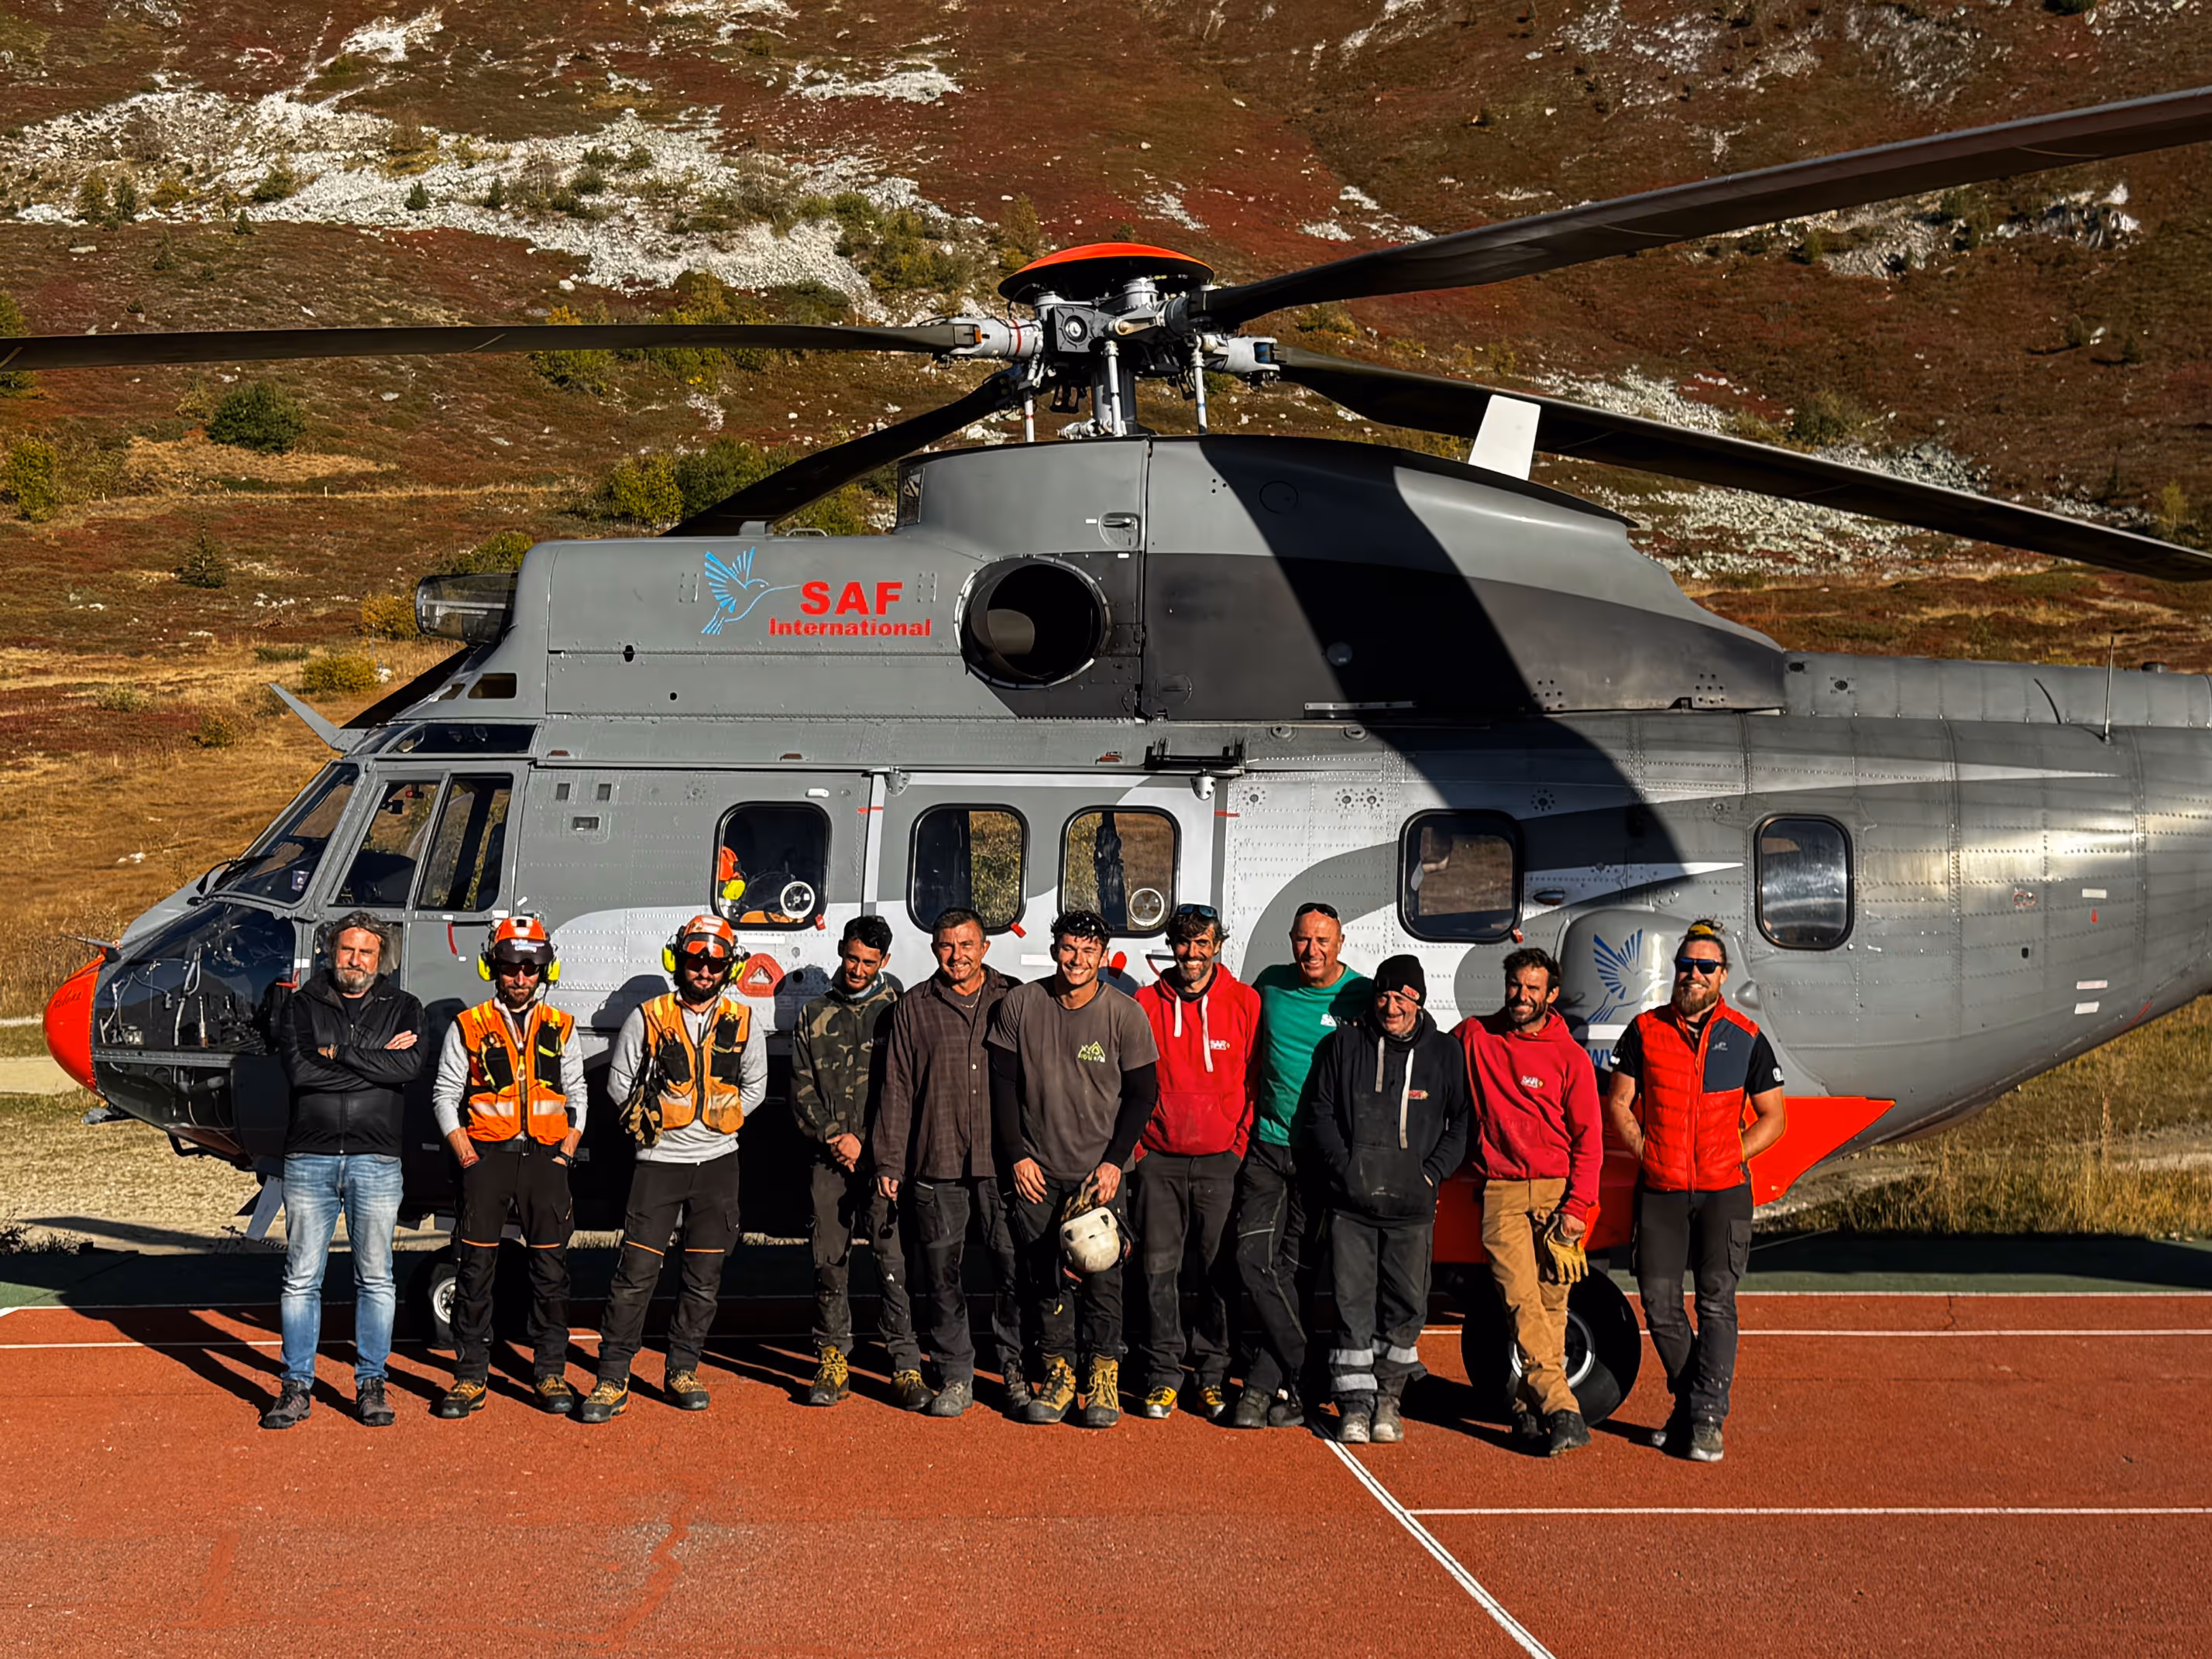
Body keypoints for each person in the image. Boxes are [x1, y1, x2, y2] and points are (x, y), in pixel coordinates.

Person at [1602, 919, 1788, 1465]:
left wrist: (1734, 1153)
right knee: (1659, 1305)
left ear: (1723, 975)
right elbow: (1619, 1103)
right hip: (1660, 1190)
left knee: (1716, 1304)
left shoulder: (1746, 1037)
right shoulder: (1645, 1031)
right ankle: (1690, 1407)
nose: (1694, 974)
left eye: (1706, 966)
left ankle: (1706, 1420)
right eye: (1686, 965)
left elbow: (1774, 1117)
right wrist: (1645, 1151)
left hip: (1723, 1192)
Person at [580, 914, 767, 1424]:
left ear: (729, 967)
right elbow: (619, 1082)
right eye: (694, 960)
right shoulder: (649, 1015)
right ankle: (612, 1376)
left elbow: (756, 1086)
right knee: (635, 1276)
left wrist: (722, 1124)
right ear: (679, 961)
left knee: (703, 1278)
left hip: (718, 1165)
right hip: (658, 1165)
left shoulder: (743, 1019)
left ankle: (682, 1369)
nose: (704, 970)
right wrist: (651, 1125)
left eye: (715, 962)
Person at [990, 909, 1159, 1428]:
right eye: (1069, 948)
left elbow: (1142, 1095)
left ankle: (1103, 1376)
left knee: (1103, 1277)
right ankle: (1059, 1373)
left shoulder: (1125, 1014)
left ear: (1104, 956)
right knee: (1048, 1281)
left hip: (1097, 1178)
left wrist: (1113, 1163)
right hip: (1038, 1172)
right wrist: (1017, 1154)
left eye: (1089, 951)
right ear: (1054, 950)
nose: (1078, 959)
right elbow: (1002, 1085)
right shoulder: (1022, 1004)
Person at [263, 912, 424, 1431]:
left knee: (376, 1278)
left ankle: (371, 1382)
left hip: (376, 1159)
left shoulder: (405, 1007)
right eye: (347, 950)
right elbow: (300, 1071)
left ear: (381, 959)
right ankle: (296, 1385)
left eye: (366, 952)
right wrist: (372, 1064)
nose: (355, 960)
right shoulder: (301, 1005)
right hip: (309, 1157)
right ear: (332, 952)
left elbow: (408, 1068)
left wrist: (338, 1053)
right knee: (300, 1278)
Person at [1307, 955, 1469, 1445]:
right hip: (1352, 1207)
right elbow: (1320, 1114)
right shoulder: (1345, 1045)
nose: (1390, 1006)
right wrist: (1345, 1169)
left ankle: (1388, 1401)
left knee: (1407, 1306)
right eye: (1383, 995)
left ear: (1418, 1000)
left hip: (1411, 1210)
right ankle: (1354, 1406)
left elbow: (1462, 1122)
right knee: (1351, 1305)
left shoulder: (1445, 1053)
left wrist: (1431, 1174)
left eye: (1401, 997)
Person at [430, 915, 586, 1420]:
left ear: (544, 970)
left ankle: (550, 1371)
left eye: (530, 967)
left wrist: (564, 1154)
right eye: (510, 966)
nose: (520, 977)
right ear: (492, 967)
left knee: (550, 1273)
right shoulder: (469, 1025)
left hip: (546, 1162)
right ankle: (470, 1376)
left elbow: (578, 1095)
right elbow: (445, 1095)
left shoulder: (562, 1025)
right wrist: (467, 1156)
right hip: (487, 1161)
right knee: (475, 1271)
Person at [871, 907, 1023, 1418]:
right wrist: (890, 1162)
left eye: (966, 945)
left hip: (1002, 1164)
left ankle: (1015, 1371)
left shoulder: (1013, 997)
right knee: (941, 1275)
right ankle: (956, 1375)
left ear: (984, 948)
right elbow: (897, 1089)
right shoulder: (914, 1006)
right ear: (935, 949)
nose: (956, 956)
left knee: (1011, 1270)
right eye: (946, 946)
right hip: (937, 1160)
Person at [1455, 946, 1602, 1456]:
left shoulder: (1570, 1057)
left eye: (1532, 988)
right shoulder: (1477, 1036)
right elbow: (1429, 1055)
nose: (1521, 995)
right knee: (1520, 1300)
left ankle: (1525, 1409)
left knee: (1552, 1307)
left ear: (1551, 995)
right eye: (1515, 985)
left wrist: (1577, 1208)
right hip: (1502, 1191)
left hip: (1558, 1194)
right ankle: (1563, 1409)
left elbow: (1588, 1141)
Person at [1228, 902, 1370, 1430]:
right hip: (1267, 1146)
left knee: (1293, 1273)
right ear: (1291, 940)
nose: (1312, 951)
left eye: (1322, 941)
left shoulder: (1361, 994)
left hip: (1321, 1157)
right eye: (1303, 939)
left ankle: (1261, 1387)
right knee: (1251, 1259)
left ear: (1340, 944)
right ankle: (1306, 1369)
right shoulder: (1270, 984)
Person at [1128, 903, 1259, 1420]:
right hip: (1158, 1161)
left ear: (1217, 946)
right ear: (1172, 946)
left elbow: (1256, 1079)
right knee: (1157, 1271)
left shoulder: (1244, 1002)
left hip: (1220, 1162)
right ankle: (1162, 1375)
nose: (1192, 954)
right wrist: (1141, 1151)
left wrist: (1237, 1147)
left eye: (1203, 943)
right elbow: (1132, 1081)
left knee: (1217, 1272)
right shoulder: (1145, 1002)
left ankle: (1210, 1374)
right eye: (1183, 943)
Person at [789, 915, 920, 1407]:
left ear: (883, 961)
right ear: (841, 951)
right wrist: (835, 1137)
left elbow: (907, 1088)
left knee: (894, 1264)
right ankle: (832, 1360)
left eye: (869, 962)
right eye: (852, 958)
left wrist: (869, 1144)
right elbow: (801, 1087)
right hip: (830, 1161)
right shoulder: (814, 1013)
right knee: (829, 1262)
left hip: (884, 1161)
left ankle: (905, 1364)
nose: (858, 969)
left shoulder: (898, 1011)